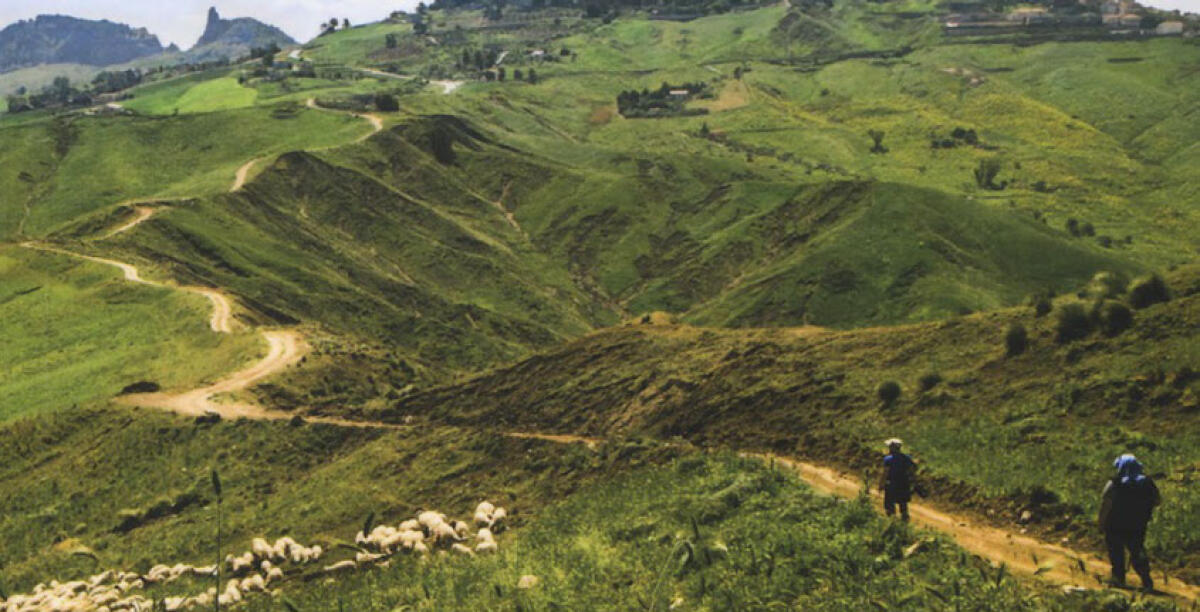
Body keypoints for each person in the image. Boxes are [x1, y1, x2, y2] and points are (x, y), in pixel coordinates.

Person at [1099, 454, 1161, 590]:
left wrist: (1101, 523)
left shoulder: (1114, 483)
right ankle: (1146, 579)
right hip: (1138, 525)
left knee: (1116, 552)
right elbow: (1157, 501)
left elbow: (1106, 505)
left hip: (1115, 525)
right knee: (1137, 550)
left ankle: (1119, 578)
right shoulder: (1147, 483)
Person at [878, 438, 916, 521]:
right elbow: (912, 471)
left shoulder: (888, 459)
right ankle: (905, 521)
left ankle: (892, 521)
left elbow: (885, 473)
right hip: (904, 484)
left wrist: (881, 484)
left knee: (889, 505)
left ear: (892, 448)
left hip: (892, 484)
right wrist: (912, 482)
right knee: (903, 504)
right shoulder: (907, 458)